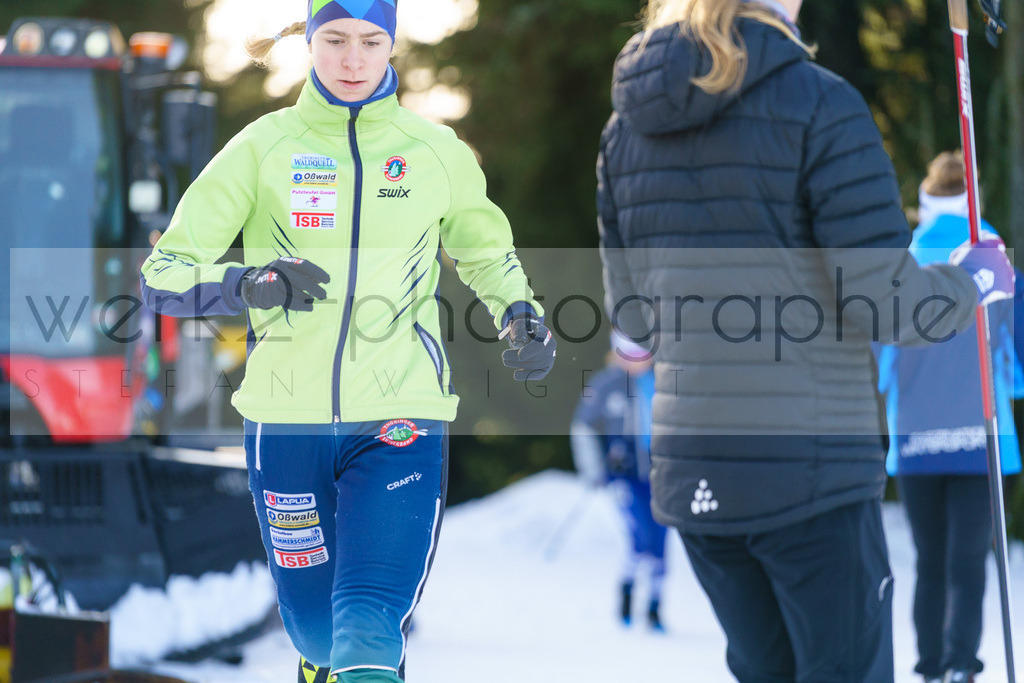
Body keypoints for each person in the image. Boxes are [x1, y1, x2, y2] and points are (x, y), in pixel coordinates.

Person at [596, 0, 1014, 680]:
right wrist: (970, 281)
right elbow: (885, 302)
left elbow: (634, 324)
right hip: (808, 471)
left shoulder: (625, 128)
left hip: (696, 473)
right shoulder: (821, 105)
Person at [139, 2, 556, 682]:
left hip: (401, 415)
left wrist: (521, 312)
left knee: (366, 621)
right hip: (287, 422)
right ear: (308, 41)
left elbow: (487, 253)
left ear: (392, 43)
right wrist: (252, 282)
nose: (354, 59)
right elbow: (163, 275)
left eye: (370, 41)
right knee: (317, 633)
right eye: (334, 40)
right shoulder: (261, 149)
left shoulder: (435, 153)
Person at [877, 151, 1024, 683]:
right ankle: (961, 663)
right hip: (984, 441)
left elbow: (880, 363)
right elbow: (1019, 369)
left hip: (916, 444)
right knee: (968, 564)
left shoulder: (899, 270)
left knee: (930, 564)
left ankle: (931, 666)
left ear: (926, 203)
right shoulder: (999, 270)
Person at [570, 330, 667, 631]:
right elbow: (583, 425)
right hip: (625, 475)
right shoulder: (606, 383)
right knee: (639, 538)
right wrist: (594, 469)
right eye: (632, 356)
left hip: (662, 475)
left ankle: (654, 605)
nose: (640, 363)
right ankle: (626, 594)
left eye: (644, 356)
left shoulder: (663, 380)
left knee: (661, 540)